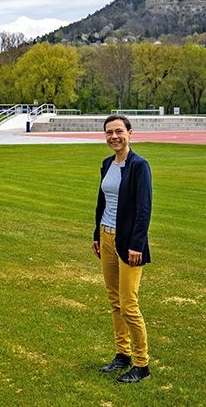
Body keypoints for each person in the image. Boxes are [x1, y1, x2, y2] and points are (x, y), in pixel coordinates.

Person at [92, 114, 152, 383]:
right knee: (114, 300)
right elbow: (102, 203)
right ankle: (122, 353)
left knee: (129, 303)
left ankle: (142, 364)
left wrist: (137, 244)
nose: (114, 137)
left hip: (128, 242)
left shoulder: (139, 166)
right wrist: (96, 234)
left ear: (130, 133)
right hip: (106, 237)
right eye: (109, 132)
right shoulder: (107, 164)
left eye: (119, 131)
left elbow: (143, 208)